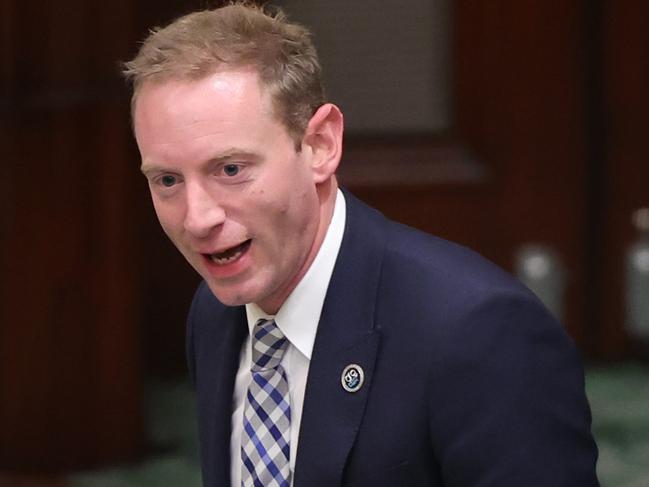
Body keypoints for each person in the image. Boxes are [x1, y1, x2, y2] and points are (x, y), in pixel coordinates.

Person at [123, 2, 599, 486]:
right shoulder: (214, 315)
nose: (198, 218)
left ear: (320, 146)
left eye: (230, 170)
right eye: (167, 180)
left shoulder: (480, 334)